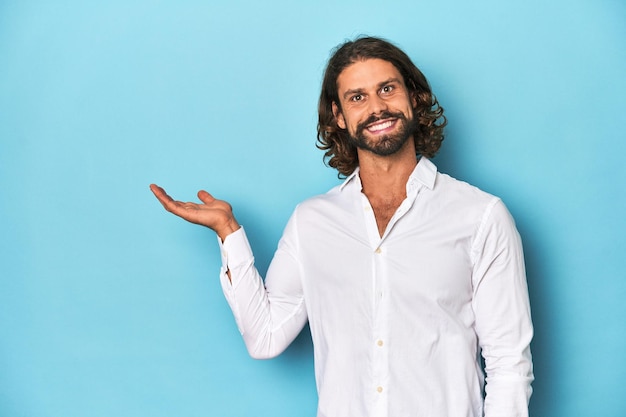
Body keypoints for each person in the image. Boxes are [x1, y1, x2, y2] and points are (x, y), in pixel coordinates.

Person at [150, 36, 534, 417]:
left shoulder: (480, 216)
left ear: (414, 97)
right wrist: (228, 232)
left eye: (387, 89)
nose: (377, 107)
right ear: (339, 116)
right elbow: (265, 336)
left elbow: (509, 367)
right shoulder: (312, 222)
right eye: (357, 97)